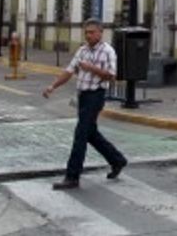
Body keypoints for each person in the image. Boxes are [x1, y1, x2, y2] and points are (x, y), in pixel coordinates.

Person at [42, 18, 127, 190]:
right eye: (86, 32)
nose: (88, 35)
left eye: (92, 32)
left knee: (81, 134)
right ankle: (117, 160)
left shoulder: (108, 51)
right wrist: (53, 86)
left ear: (100, 32)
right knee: (90, 133)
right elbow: (69, 71)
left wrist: (90, 68)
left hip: (96, 95)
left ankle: (72, 176)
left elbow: (111, 76)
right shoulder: (82, 50)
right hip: (82, 96)